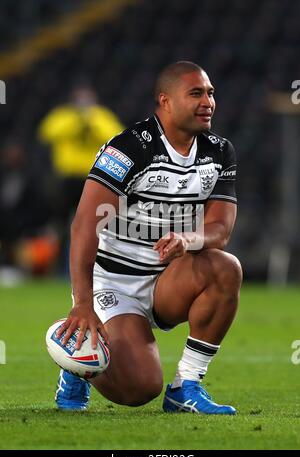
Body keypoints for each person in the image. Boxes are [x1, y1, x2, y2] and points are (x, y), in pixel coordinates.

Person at [55, 61, 242, 414]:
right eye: (196, 93)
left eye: (211, 93)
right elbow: (84, 225)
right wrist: (82, 303)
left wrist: (188, 241)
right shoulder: (130, 148)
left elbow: (221, 229)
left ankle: (186, 387)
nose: (208, 102)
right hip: (115, 284)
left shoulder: (218, 151)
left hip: (166, 280)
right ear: (165, 101)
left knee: (225, 267)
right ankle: (76, 361)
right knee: (140, 389)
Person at [38, 82, 124, 272]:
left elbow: (116, 137)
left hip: (93, 178)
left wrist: (90, 119)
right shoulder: (63, 115)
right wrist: (77, 120)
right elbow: (47, 132)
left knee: (93, 224)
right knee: (61, 225)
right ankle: (59, 268)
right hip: (67, 179)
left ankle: (94, 267)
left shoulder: (101, 116)